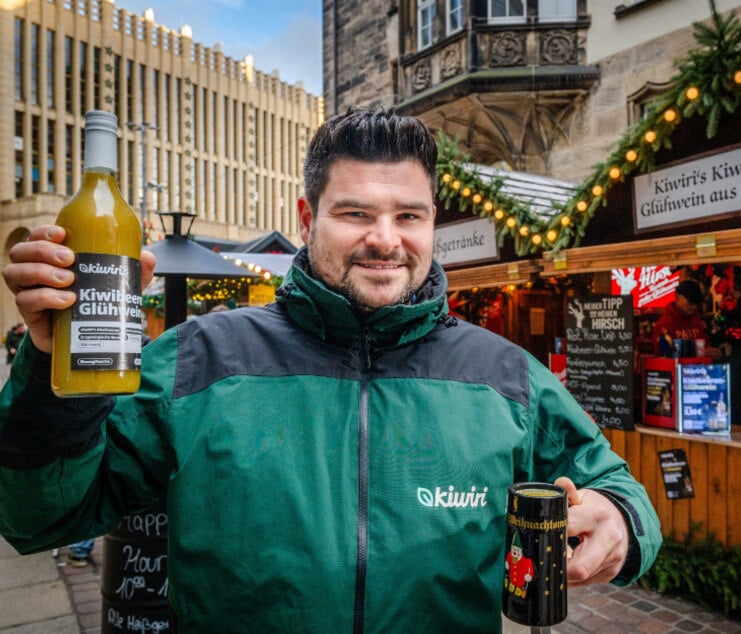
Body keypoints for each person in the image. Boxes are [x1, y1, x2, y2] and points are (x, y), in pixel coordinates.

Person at [0, 108, 661, 631]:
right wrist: (48, 363)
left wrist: (620, 520)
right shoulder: (196, 360)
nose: (385, 238)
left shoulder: (503, 376)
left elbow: (612, 485)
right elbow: (40, 516)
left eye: (408, 215)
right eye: (354, 214)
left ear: (432, 222)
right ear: (307, 217)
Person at [652, 279, 707, 355]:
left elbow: (705, 345)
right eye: (690, 302)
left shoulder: (697, 321)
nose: (694, 307)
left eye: (696, 303)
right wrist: (699, 351)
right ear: (677, 297)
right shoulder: (665, 324)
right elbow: (663, 352)